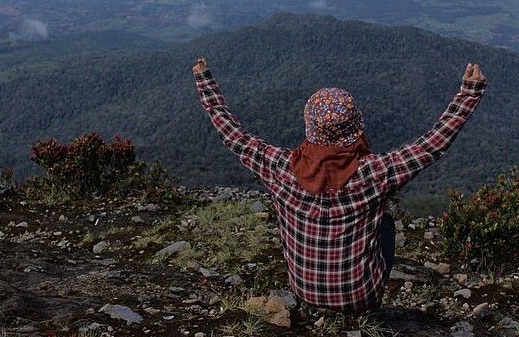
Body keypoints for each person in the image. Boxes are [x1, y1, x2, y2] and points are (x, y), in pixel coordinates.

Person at [192, 58, 487, 314]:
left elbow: (234, 136)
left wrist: (206, 83)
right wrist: (468, 94)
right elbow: (430, 146)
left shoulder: (280, 168)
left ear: (309, 125)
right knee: (384, 223)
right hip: (361, 297)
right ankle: (359, 295)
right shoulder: (374, 173)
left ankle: (315, 291)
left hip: (303, 290)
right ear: (354, 126)